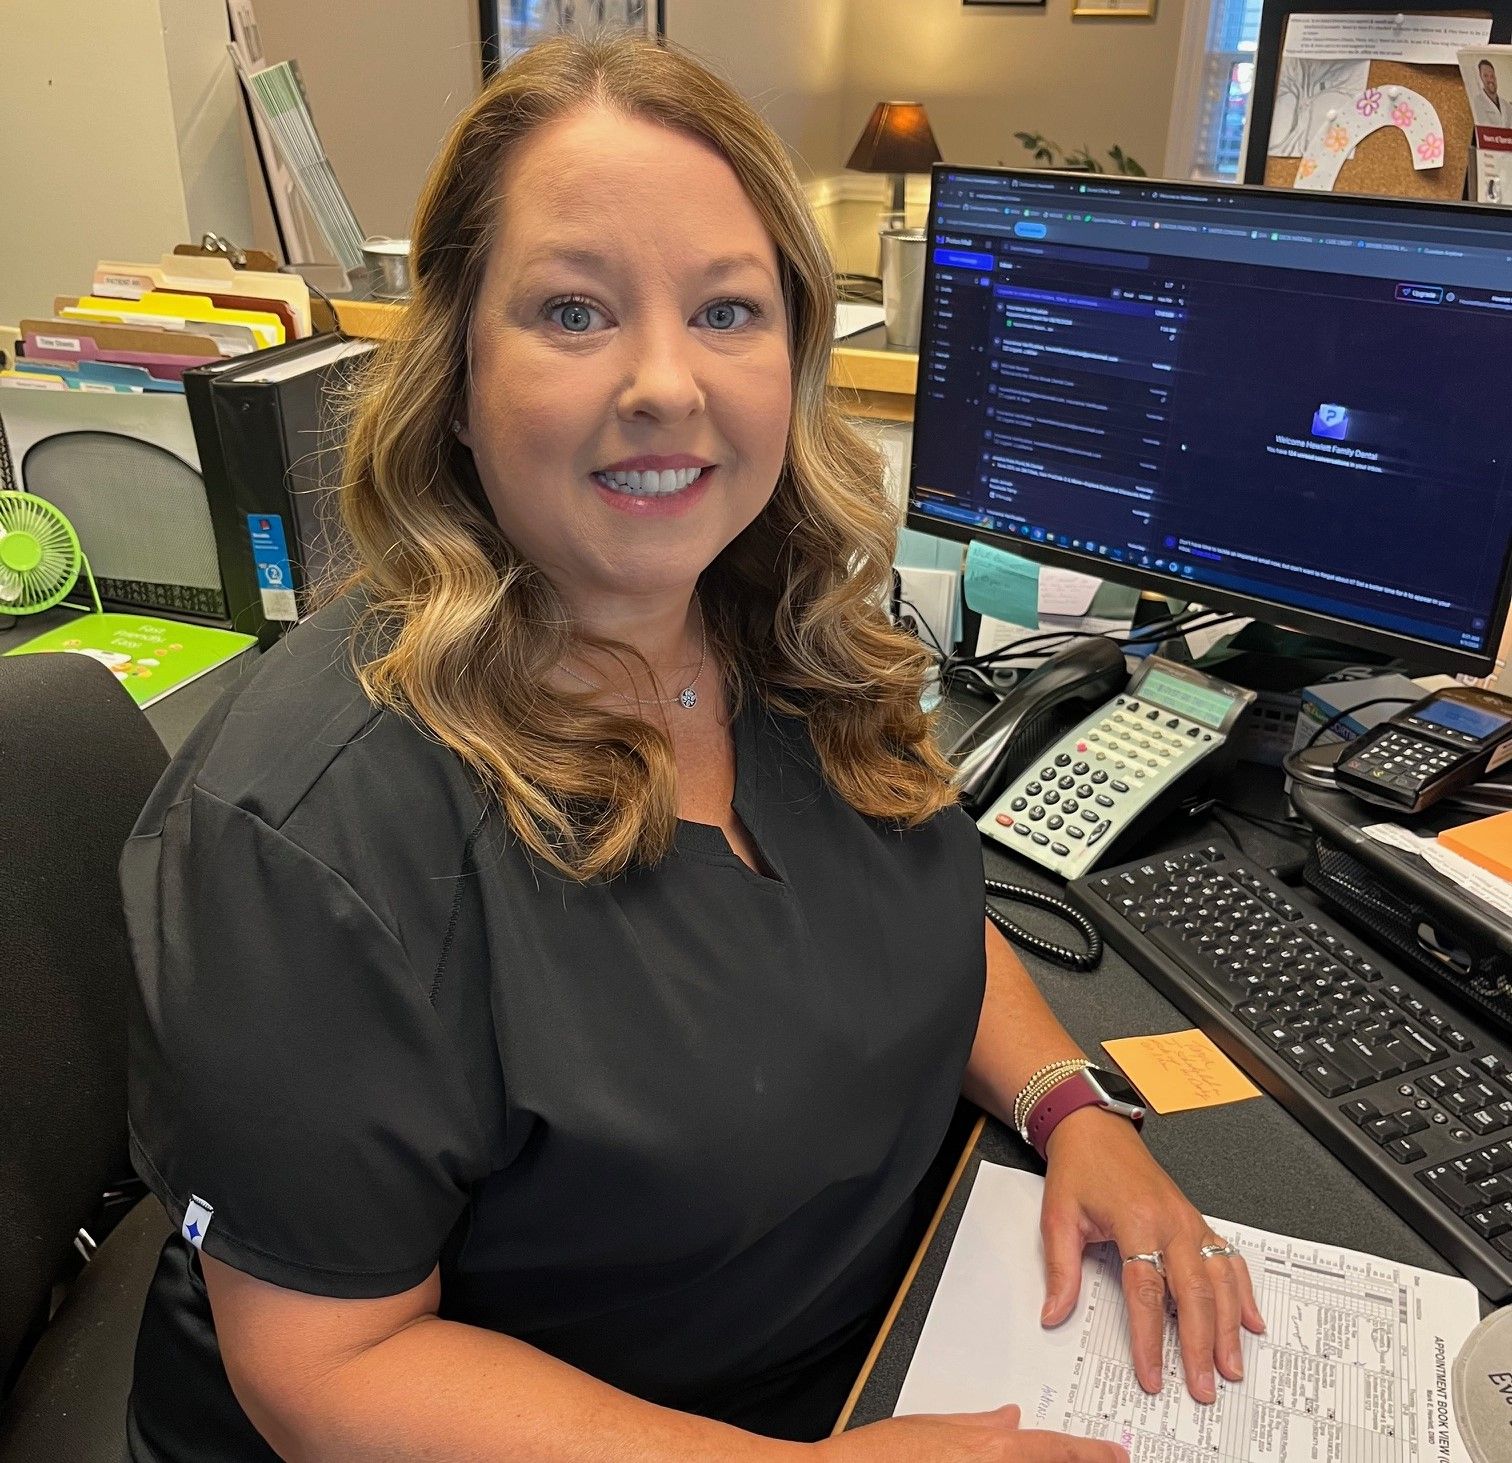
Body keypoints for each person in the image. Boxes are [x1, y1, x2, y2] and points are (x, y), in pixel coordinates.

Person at [123, 32, 1263, 1462]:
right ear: (459, 374)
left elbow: (908, 925)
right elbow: (327, 1369)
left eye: (727, 311)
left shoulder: (794, 631)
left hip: (845, 1364)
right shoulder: (311, 824)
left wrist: (1073, 1104)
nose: (666, 380)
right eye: (574, 310)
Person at [1471, 57, 1512, 128]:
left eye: (1492, 76)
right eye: (1486, 76)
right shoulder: (1476, 102)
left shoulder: (1507, 106)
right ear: (1480, 78)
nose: (1490, 79)